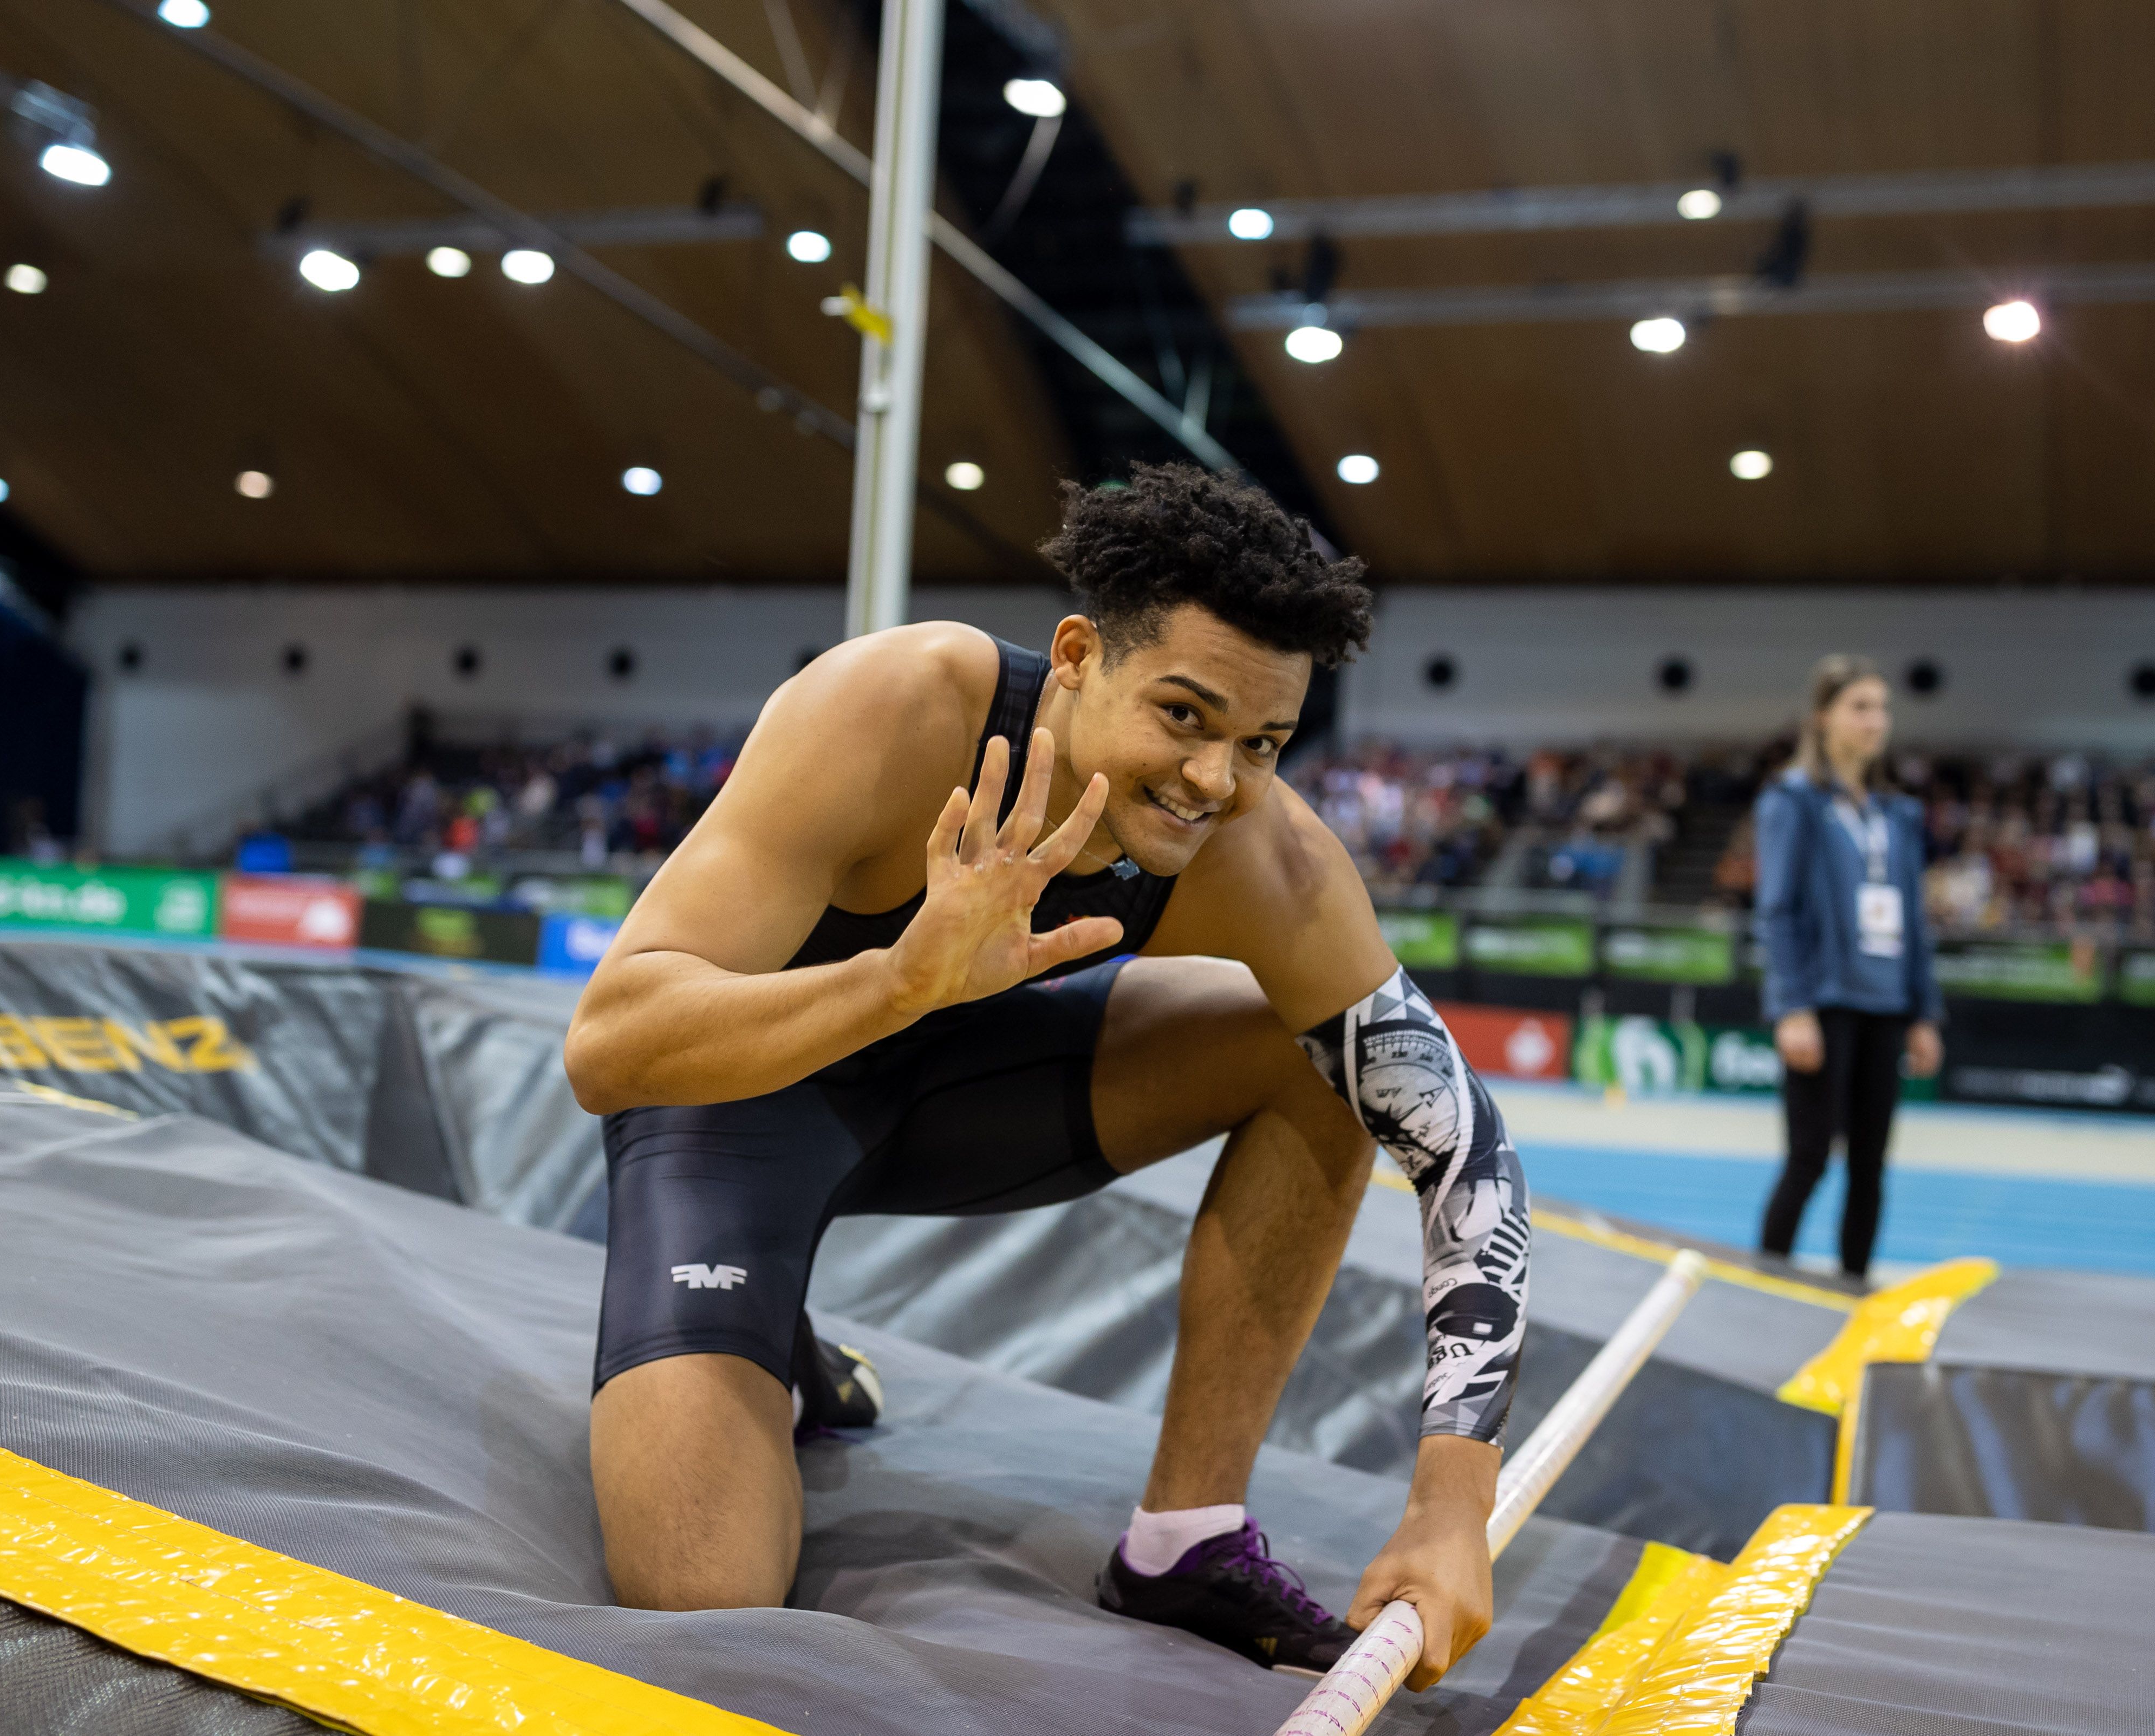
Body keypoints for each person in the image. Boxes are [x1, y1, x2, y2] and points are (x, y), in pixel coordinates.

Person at [564, 463, 1531, 1689]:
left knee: (1325, 1063)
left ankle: (1184, 1538)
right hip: (739, 1107)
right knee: (700, 1583)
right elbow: (609, 1048)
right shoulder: (896, 705)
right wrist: (900, 979)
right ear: (1077, 654)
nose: (1212, 780)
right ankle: (766, 1319)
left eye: (1263, 740)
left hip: (971, 1088)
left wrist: (1452, 1499)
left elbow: (1461, 1143)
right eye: (1183, 715)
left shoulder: (1262, 846)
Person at [1753, 654, 1944, 1283]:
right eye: (1860, 706)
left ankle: (1853, 1292)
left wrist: (1924, 1012)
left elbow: (1914, 920)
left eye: (1883, 708)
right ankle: (1760, 1287)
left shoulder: (1899, 814)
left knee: (1871, 1166)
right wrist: (1793, 1006)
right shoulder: (1793, 801)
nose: (1876, 721)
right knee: (1808, 1157)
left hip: (1886, 1004)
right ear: (1823, 717)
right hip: (1824, 1002)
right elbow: (1777, 910)